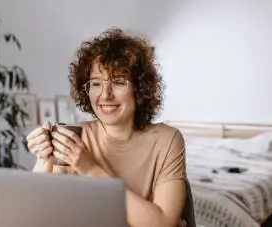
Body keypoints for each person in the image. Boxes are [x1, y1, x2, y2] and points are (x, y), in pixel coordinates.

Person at [26, 27, 187, 227]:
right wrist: (43, 161)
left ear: (140, 88)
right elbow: (40, 212)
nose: (105, 95)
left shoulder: (167, 140)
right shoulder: (73, 136)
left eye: (118, 82)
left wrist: (90, 168)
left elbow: (162, 223)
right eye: (96, 84)